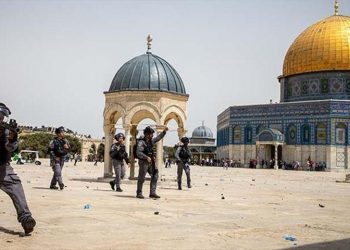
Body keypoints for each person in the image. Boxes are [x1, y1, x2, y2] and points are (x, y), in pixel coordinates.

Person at [0, 103, 36, 235]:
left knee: (16, 187)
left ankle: (26, 219)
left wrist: (12, 139)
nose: (1, 119)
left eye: (2, 117)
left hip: (3, 168)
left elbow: (10, 149)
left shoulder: (6, 131)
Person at [136, 126, 168, 199]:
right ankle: (139, 192)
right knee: (141, 178)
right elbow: (138, 152)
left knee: (155, 175)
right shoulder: (141, 142)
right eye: (151, 134)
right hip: (143, 162)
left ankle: (152, 192)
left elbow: (158, 138)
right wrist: (146, 157)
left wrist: (164, 132)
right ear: (147, 134)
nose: (152, 135)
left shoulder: (151, 141)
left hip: (151, 162)